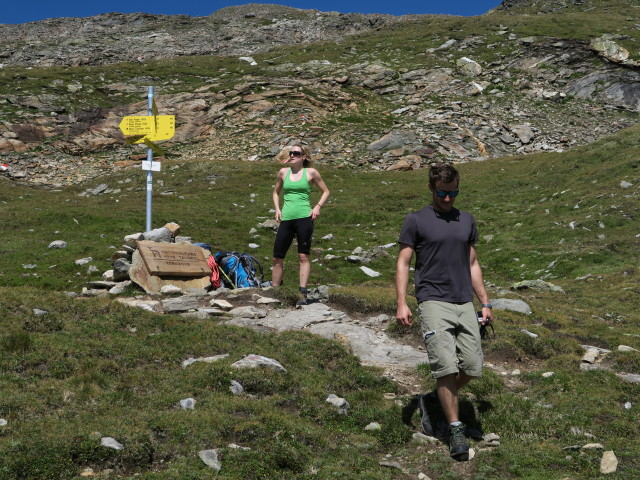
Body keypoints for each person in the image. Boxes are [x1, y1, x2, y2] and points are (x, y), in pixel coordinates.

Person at [395, 162, 493, 461]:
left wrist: (485, 302)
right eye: (442, 193)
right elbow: (403, 262)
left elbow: (473, 263)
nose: (448, 199)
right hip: (432, 300)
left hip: (464, 301)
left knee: (473, 367)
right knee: (446, 366)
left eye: (453, 193)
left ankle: (431, 399)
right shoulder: (416, 220)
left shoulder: (467, 220)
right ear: (431, 188)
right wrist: (402, 301)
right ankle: (455, 429)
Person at [272, 144, 330, 306]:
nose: (293, 155)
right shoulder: (283, 172)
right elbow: (276, 192)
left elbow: (326, 191)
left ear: (304, 157)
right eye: (291, 153)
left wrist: (317, 207)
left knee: (303, 256)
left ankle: (303, 292)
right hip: (286, 218)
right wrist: (277, 210)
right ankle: (275, 291)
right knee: (277, 257)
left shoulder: (311, 173)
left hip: (305, 217)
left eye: (297, 153)